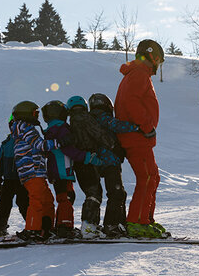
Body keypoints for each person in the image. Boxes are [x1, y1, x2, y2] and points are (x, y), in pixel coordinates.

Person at [115, 39, 167, 238]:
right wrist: (146, 126)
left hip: (138, 136)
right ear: (152, 56)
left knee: (152, 176)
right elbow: (131, 101)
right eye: (159, 61)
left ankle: (146, 219)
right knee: (146, 177)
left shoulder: (139, 73)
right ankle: (137, 222)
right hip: (136, 135)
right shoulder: (138, 74)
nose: (158, 65)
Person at [42, 100, 105, 239]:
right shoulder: (62, 128)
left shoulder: (50, 130)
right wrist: (87, 157)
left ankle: (61, 225)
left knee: (65, 195)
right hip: (63, 169)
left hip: (55, 170)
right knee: (66, 197)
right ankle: (64, 226)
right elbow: (69, 149)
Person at [66, 95, 125, 238]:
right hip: (89, 160)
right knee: (94, 193)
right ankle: (89, 227)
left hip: (80, 162)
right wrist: (113, 145)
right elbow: (98, 134)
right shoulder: (86, 119)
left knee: (92, 193)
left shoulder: (71, 123)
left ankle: (90, 226)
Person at [88, 92, 139, 237]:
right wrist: (136, 127)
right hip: (110, 161)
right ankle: (112, 225)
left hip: (98, 162)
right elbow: (116, 125)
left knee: (116, 193)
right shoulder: (102, 117)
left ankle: (117, 223)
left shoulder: (91, 118)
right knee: (116, 192)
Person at [10, 101, 58, 242]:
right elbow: (40, 145)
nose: (37, 116)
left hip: (34, 171)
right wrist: (60, 142)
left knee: (48, 199)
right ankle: (32, 229)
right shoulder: (26, 128)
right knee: (37, 200)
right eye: (35, 113)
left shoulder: (23, 128)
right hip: (32, 170)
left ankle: (45, 228)